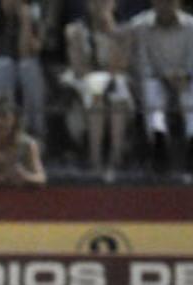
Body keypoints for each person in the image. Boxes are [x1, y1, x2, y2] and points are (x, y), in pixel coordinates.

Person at [131, 0, 193, 173]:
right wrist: (165, 76)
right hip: (155, 78)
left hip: (183, 79)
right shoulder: (139, 26)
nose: (165, 5)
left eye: (169, 2)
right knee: (151, 90)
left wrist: (184, 76)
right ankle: (158, 145)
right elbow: (142, 64)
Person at [62, 0, 134, 178]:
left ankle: (115, 157)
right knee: (96, 91)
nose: (99, 6)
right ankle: (95, 158)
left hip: (116, 81)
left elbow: (121, 66)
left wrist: (111, 35)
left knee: (118, 90)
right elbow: (79, 68)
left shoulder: (125, 31)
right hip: (84, 83)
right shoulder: (75, 30)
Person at [0, 0, 47, 138]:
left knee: (28, 67)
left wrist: (25, 23)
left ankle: (35, 130)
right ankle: (3, 121)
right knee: (5, 65)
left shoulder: (34, 20)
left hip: (27, 70)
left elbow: (26, 53)